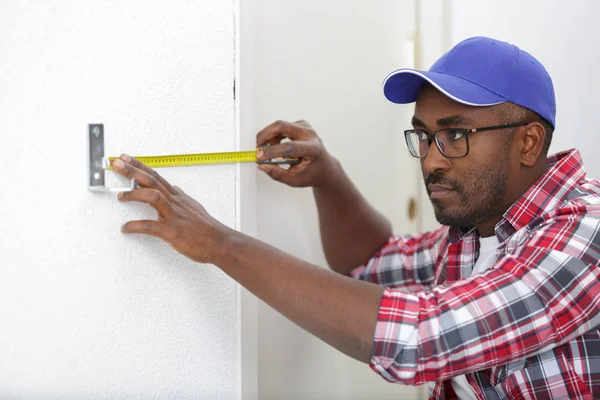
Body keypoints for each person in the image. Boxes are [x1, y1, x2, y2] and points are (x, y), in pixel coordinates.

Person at [111, 37, 600, 399]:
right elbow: (369, 264)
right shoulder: (478, 233)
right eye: (423, 136)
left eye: (455, 136)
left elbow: (417, 336)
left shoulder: (584, 236)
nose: (431, 160)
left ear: (528, 143)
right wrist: (329, 178)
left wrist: (219, 243)